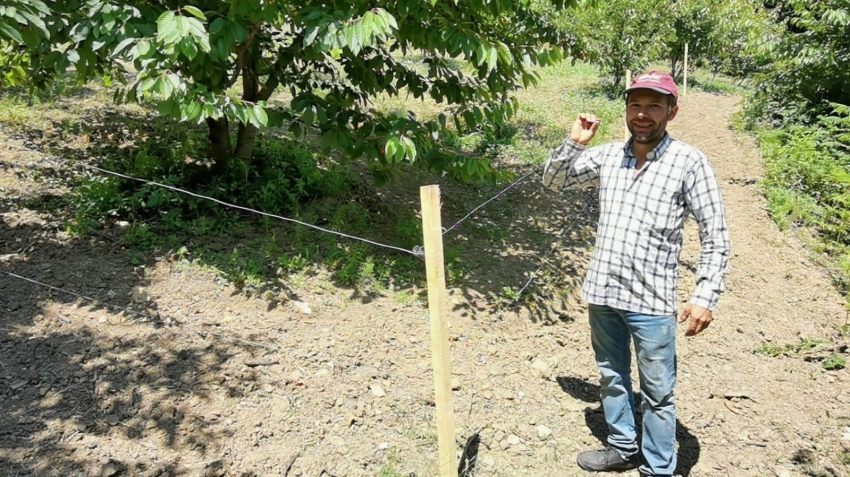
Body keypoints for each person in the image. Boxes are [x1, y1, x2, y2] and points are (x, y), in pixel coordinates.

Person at [542, 71, 730, 477]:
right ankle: (624, 447)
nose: (642, 114)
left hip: (652, 301)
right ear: (626, 110)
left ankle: (659, 468)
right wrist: (575, 141)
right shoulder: (609, 155)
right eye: (635, 105)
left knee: (659, 394)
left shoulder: (690, 162)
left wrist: (704, 296)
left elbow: (715, 234)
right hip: (604, 292)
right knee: (611, 375)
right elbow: (553, 181)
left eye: (653, 106)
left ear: (671, 112)